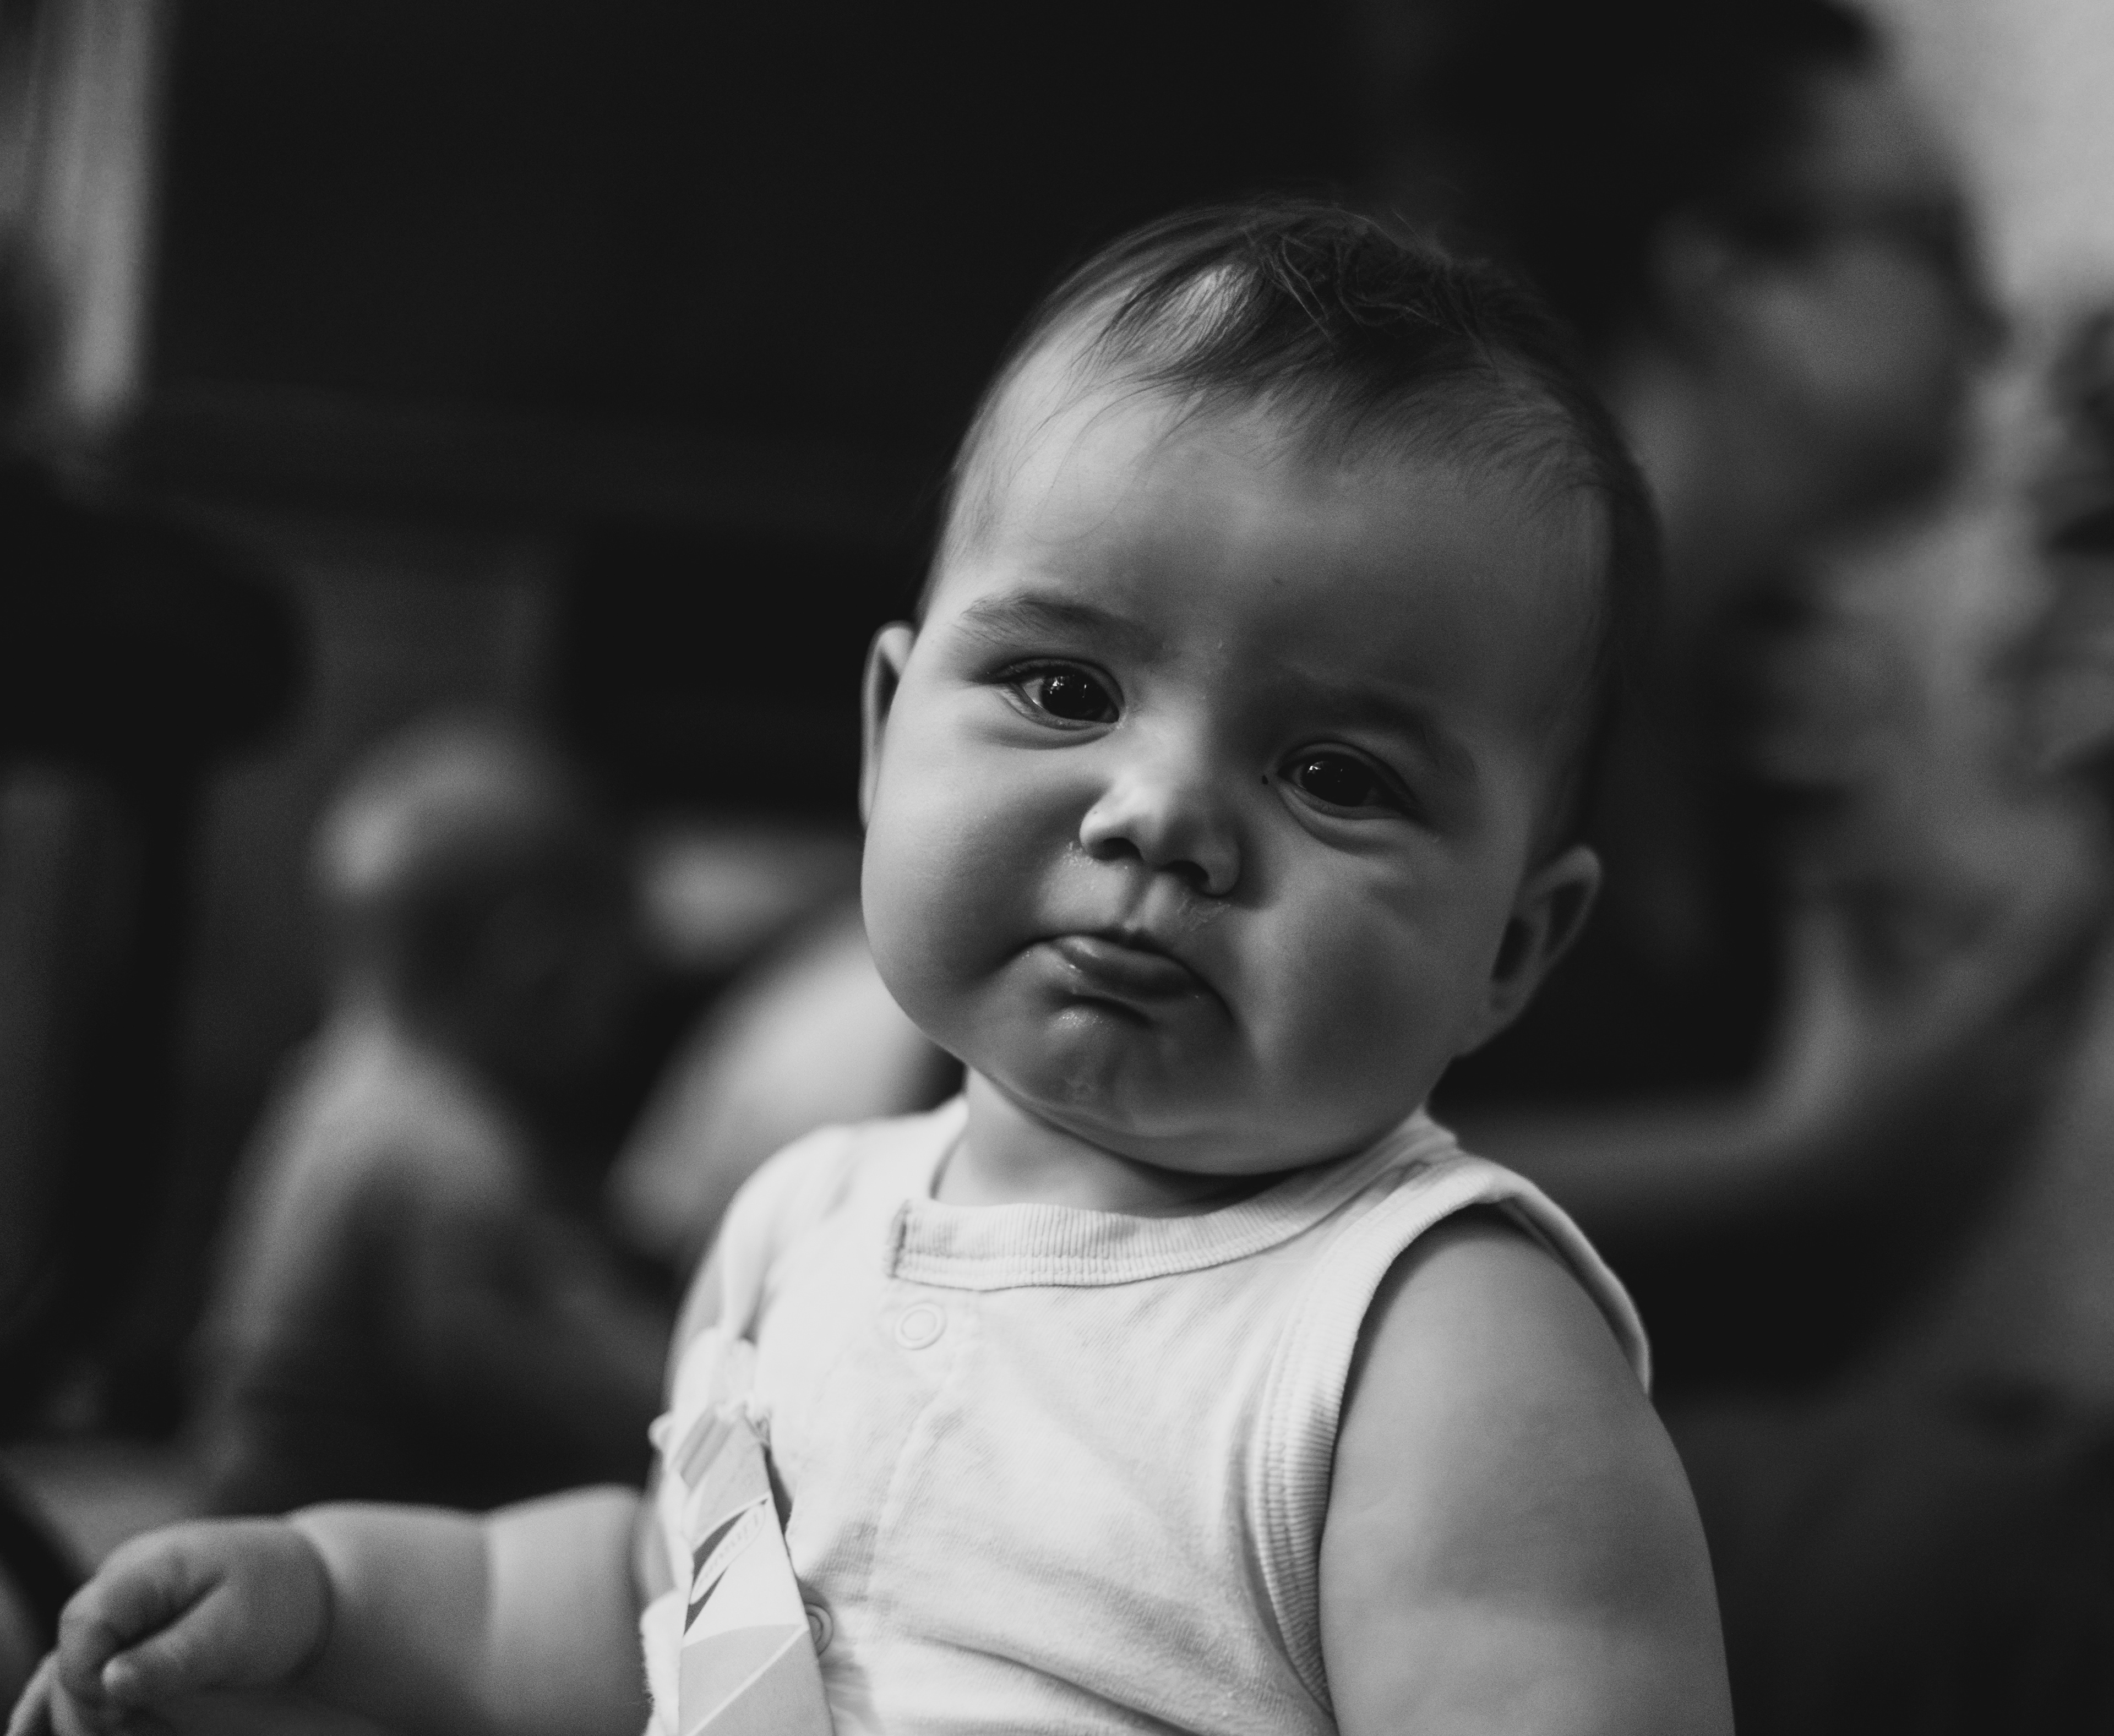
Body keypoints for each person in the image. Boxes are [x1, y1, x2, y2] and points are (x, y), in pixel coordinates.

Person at [14, 205, 1730, 1736]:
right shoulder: (801, 1221)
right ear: (884, 733)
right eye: (1066, 690)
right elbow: (657, 1609)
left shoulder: (1433, 1344)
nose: (1160, 817)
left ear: (1512, 945)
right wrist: (329, 1594)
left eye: (1337, 774)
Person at [189, 714, 669, 1515]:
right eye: (620, 949)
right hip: (325, 1540)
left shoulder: (332, 1085)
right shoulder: (442, 1153)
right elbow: (583, 1400)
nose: (634, 992)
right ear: (534, 957)